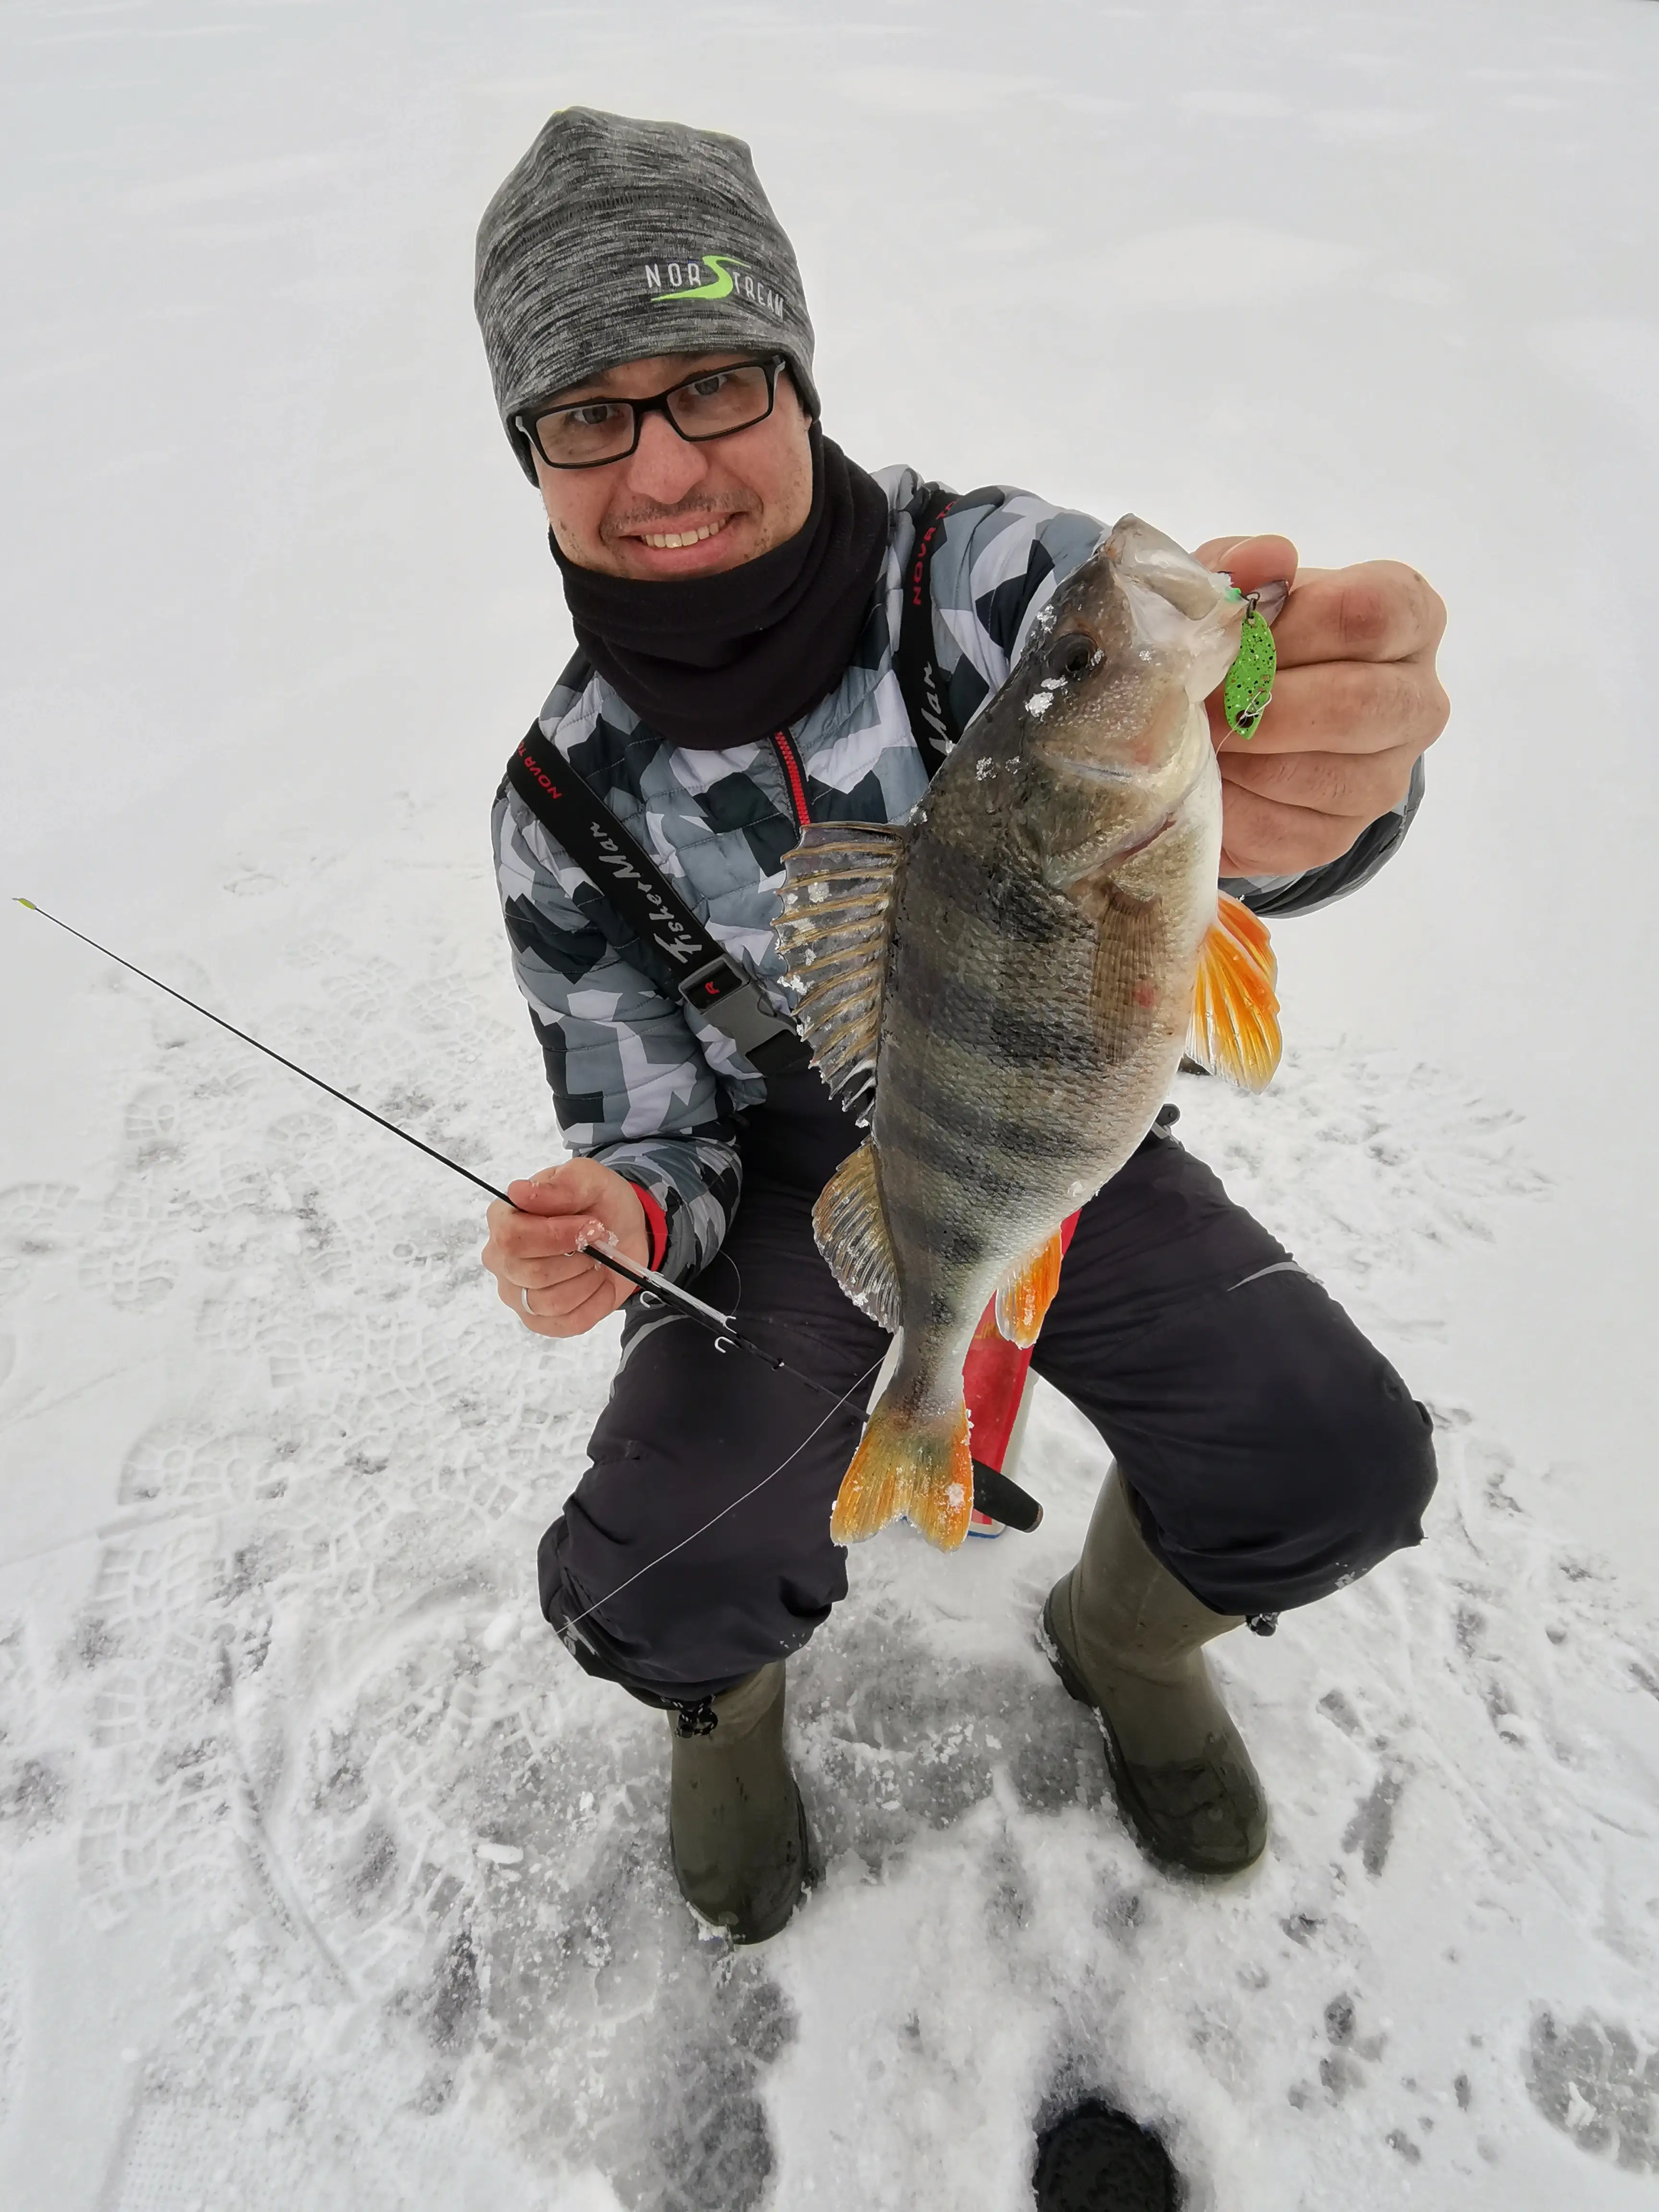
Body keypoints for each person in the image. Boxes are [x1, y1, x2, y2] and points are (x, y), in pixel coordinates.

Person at [474, 108, 1447, 1949]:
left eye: (713, 385)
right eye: (587, 412)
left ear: (799, 379)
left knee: (1335, 1466)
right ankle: (723, 1711)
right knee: (651, 1581)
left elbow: (1203, 727)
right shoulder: (556, 799)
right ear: (530, 455)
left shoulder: (994, 590)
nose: (661, 462)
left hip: (1057, 1131)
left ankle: (1128, 1643)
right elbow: (648, 1120)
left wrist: (1327, 786)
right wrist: (628, 1216)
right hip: (794, 1190)